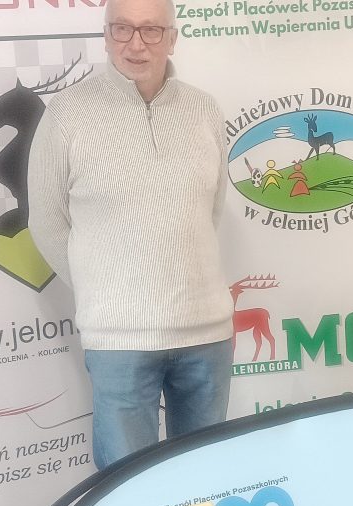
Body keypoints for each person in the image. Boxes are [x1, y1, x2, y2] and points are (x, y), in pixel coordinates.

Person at [29, 0, 234, 470]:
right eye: (122, 29)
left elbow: (210, 208)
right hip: (118, 339)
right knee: (125, 486)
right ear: (106, 36)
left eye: (151, 31)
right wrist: (103, 287)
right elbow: (46, 221)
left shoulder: (204, 109)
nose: (135, 44)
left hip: (206, 332)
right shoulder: (67, 113)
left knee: (205, 478)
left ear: (172, 39)